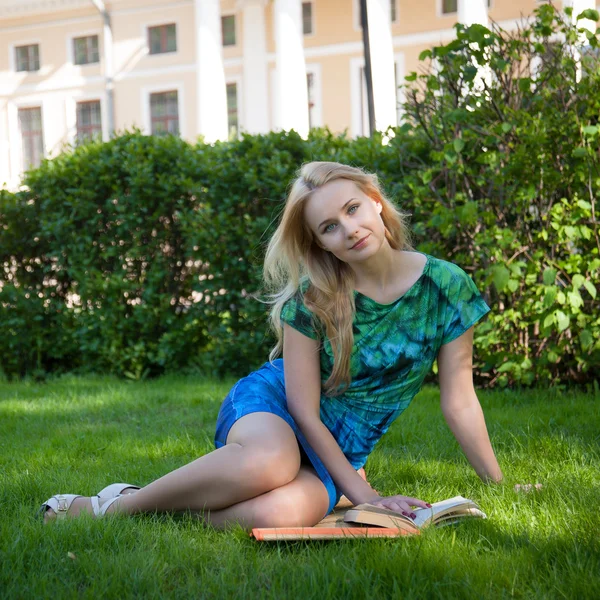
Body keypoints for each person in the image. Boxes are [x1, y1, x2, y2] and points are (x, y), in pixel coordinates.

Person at [40, 161, 503, 527]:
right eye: (328, 227)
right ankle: (111, 510)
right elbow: (304, 409)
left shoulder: (445, 286)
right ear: (321, 245)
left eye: (352, 209)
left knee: (282, 514)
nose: (348, 229)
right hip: (276, 409)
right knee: (272, 460)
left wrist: (497, 485)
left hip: (339, 448)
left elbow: (460, 400)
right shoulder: (316, 299)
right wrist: (368, 499)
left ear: (376, 203)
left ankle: (159, 505)